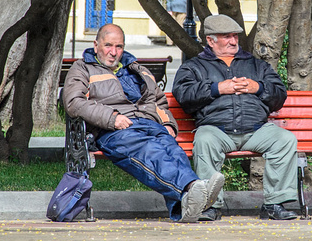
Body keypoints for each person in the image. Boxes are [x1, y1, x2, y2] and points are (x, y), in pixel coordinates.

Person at [62, 24, 224, 222]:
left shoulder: (136, 68)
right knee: (150, 151)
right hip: (113, 130)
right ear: (96, 45)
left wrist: (167, 124)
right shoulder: (83, 68)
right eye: (108, 46)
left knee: (173, 151)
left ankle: (184, 209)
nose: (113, 52)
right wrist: (112, 118)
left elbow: (158, 100)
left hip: (149, 124)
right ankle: (192, 188)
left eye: (119, 46)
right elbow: (73, 102)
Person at [172, 14, 298, 222]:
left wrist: (258, 88)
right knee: (204, 140)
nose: (233, 41)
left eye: (235, 36)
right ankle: (210, 206)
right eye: (226, 36)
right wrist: (217, 88)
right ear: (211, 40)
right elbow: (184, 96)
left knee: (284, 140)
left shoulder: (256, 66)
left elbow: (279, 95)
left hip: (256, 129)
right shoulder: (194, 67)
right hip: (216, 128)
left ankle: (275, 204)